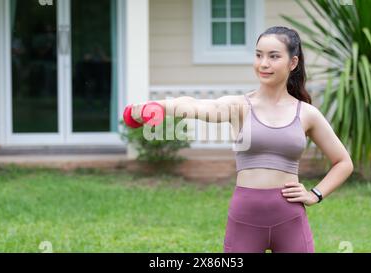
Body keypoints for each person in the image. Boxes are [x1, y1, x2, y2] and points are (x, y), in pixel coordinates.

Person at [128, 26, 354, 253]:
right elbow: (195, 105)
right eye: (258, 55)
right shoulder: (239, 107)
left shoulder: (306, 113)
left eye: (273, 56)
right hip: (245, 218)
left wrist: (315, 194)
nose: (263, 63)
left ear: (292, 63)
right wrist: (157, 106)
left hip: (290, 218)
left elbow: (343, 162)